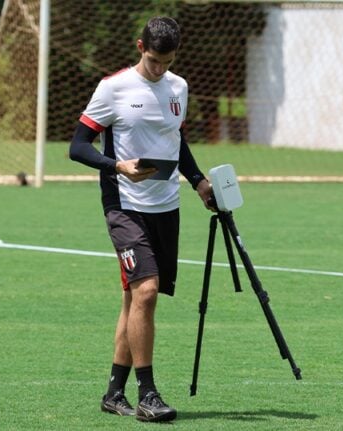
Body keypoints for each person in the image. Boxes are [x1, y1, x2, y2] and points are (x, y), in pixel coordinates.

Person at [68, 17, 214, 423]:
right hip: (124, 205)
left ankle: (114, 392)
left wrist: (199, 181)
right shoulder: (112, 88)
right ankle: (147, 393)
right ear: (139, 48)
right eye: (152, 60)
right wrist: (117, 166)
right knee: (146, 291)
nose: (159, 69)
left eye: (166, 62)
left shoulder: (178, 87)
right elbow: (78, 146)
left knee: (136, 299)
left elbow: (176, 141)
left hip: (166, 206)